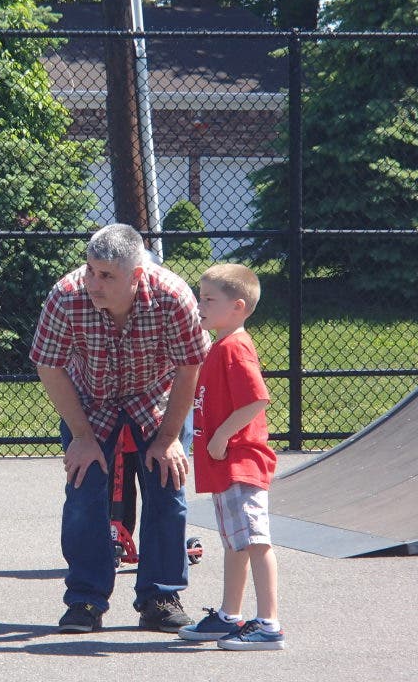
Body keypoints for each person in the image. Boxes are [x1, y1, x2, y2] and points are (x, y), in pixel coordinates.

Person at [29, 223, 210, 633]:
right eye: (91, 269)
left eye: (107, 275)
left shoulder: (172, 295)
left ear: (137, 274)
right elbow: (49, 365)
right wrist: (81, 437)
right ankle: (85, 601)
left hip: (154, 394)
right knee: (83, 491)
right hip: (89, 399)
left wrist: (167, 440)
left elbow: (189, 368)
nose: (93, 282)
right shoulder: (66, 295)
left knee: (167, 487)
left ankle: (160, 597)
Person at [178, 264, 285, 650]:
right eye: (199, 296)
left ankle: (269, 624)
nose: (199, 305)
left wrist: (222, 436)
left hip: (242, 462)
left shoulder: (235, 347)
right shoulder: (219, 345)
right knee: (236, 543)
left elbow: (256, 399)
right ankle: (229, 615)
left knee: (255, 541)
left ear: (238, 306)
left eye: (209, 300)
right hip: (226, 465)